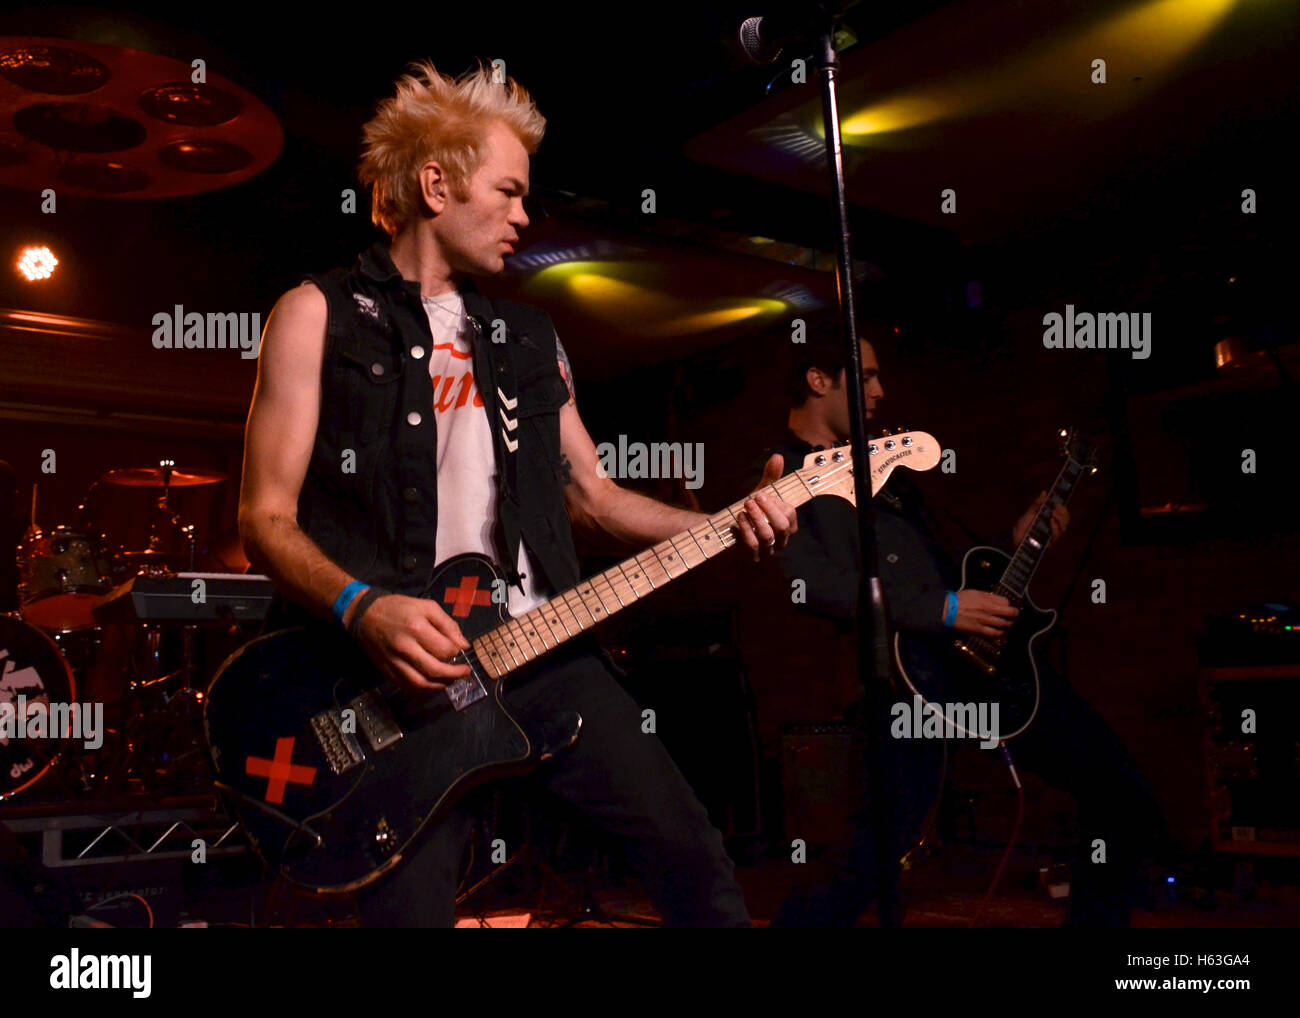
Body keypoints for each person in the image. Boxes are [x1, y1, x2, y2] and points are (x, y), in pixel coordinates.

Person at [236, 60, 796, 927]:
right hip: (397, 675)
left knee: (696, 864)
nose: (525, 216)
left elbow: (594, 496)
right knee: (412, 914)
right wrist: (362, 607)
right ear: (435, 184)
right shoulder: (318, 314)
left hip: (545, 651)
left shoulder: (529, 337)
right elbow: (263, 517)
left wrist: (724, 522)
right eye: (508, 191)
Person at [764, 319, 1164, 927]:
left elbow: (942, 572)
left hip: (979, 668)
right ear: (820, 379)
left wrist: (1016, 541)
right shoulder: (783, 476)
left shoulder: (884, 468)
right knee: (877, 847)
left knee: (1116, 785)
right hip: (901, 683)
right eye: (865, 376)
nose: (879, 392)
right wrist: (944, 610)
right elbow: (810, 587)